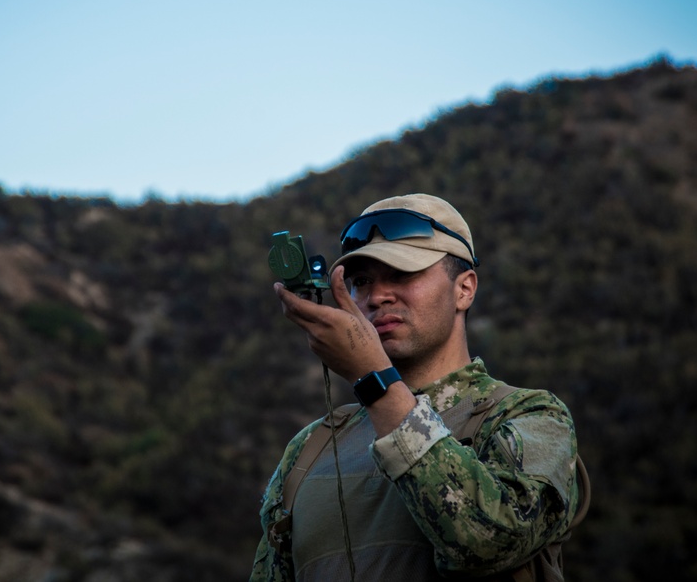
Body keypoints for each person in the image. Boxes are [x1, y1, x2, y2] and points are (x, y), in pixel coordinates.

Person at [249, 194, 582, 581]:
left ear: (465, 289)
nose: (377, 297)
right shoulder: (311, 447)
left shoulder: (530, 417)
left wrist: (374, 380)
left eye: (402, 275)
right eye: (361, 282)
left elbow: (491, 541)